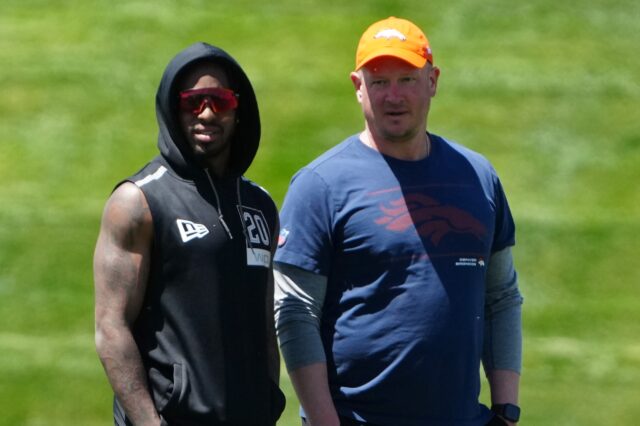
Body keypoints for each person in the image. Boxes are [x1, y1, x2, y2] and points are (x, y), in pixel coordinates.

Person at [274, 17, 523, 426]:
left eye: (407, 79)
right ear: (358, 87)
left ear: (433, 81)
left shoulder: (478, 178)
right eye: (378, 82)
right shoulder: (320, 185)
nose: (393, 96)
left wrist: (507, 410)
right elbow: (295, 312)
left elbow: (501, 297)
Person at [94, 42, 285, 425]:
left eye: (220, 101)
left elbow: (265, 326)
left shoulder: (260, 206)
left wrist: (267, 405)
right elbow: (110, 327)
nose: (208, 113)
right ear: (172, 107)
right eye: (193, 102)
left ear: (238, 107)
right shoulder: (139, 202)